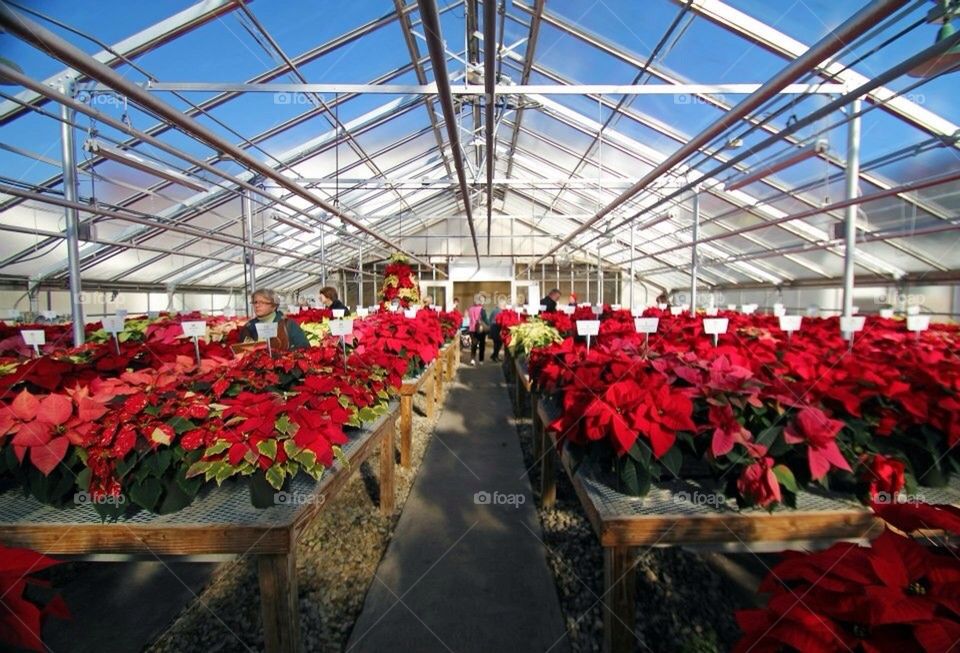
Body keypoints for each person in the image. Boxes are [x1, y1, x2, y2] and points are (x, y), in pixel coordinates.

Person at [241, 289, 310, 350]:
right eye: (255, 302)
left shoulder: (288, 324)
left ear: (274, 306)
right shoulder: (248, 327)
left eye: (262, 302)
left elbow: (304, 348)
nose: (257, 305)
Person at [467, 294, 490, 365]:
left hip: (472, 329)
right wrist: (488, 326)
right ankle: (481, 360)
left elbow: (470, 318)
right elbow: (485, 320)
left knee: (473, 344)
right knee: (482, 344)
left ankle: (472, 359)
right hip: (480, 329)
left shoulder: (470, 309)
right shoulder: (482, 309)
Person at [489, 298, 506, 362]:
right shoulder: (499, 311)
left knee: (497, 343)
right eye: (504, 305)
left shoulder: (494, 310)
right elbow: (500, 321)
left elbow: (490, 319)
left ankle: (495, 356)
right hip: (497, 329)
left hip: (494, 329)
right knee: (498, 344)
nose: (505, 306)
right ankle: (494, 356)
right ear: (501, 305)